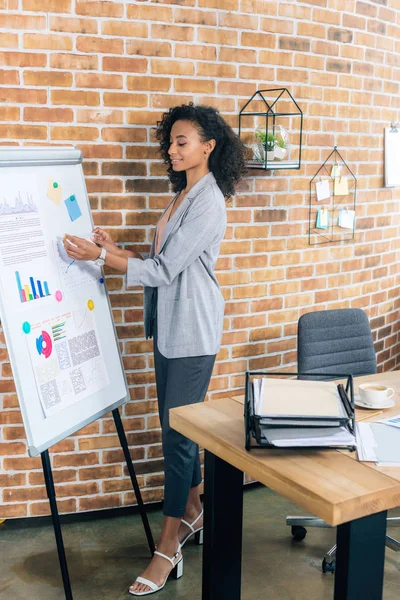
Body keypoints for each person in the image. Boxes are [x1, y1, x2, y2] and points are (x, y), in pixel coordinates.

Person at [63, 102, 246, 596]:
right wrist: (116, 249)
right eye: (171, 142)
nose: (172, 150)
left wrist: (103, 257)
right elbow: (162, 261)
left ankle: (167, 548)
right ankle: (194, 512)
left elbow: (165, 273)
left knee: (177, 441)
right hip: (170, 329)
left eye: (181, 142)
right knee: (178, 430)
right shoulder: (183, 195)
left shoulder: (209, 201)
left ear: (208, 147)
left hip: (192, 334)